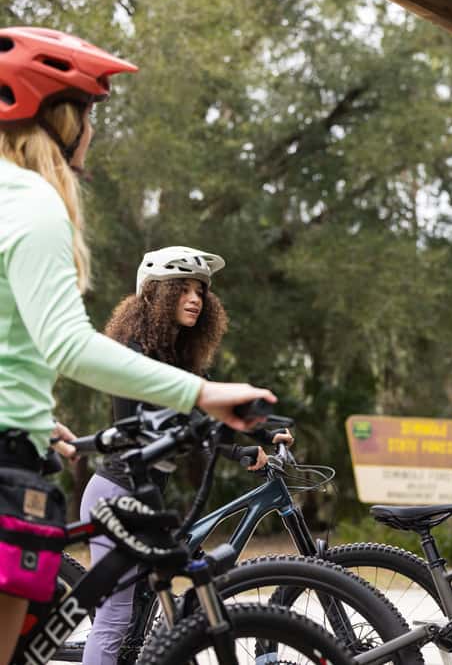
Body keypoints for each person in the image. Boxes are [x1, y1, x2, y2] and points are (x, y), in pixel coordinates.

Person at [0, 27, 274, 665]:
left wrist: (34, 415)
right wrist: (205, 394)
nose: (92, 130)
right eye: (90, 112)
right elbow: (67, 345)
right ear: (61, 118)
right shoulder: (33, 201)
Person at [79, 247, 294, 663]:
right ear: (156, 295)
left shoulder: (177, 359)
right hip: (116, 494)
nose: (195, 298)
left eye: (200, 291)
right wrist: (235, 449)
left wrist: (264, 429)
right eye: (183, 289)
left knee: (157, 605)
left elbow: (210, 411)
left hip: (146, 497)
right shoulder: (134, 354)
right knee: (115, 616)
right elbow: (150, 429)